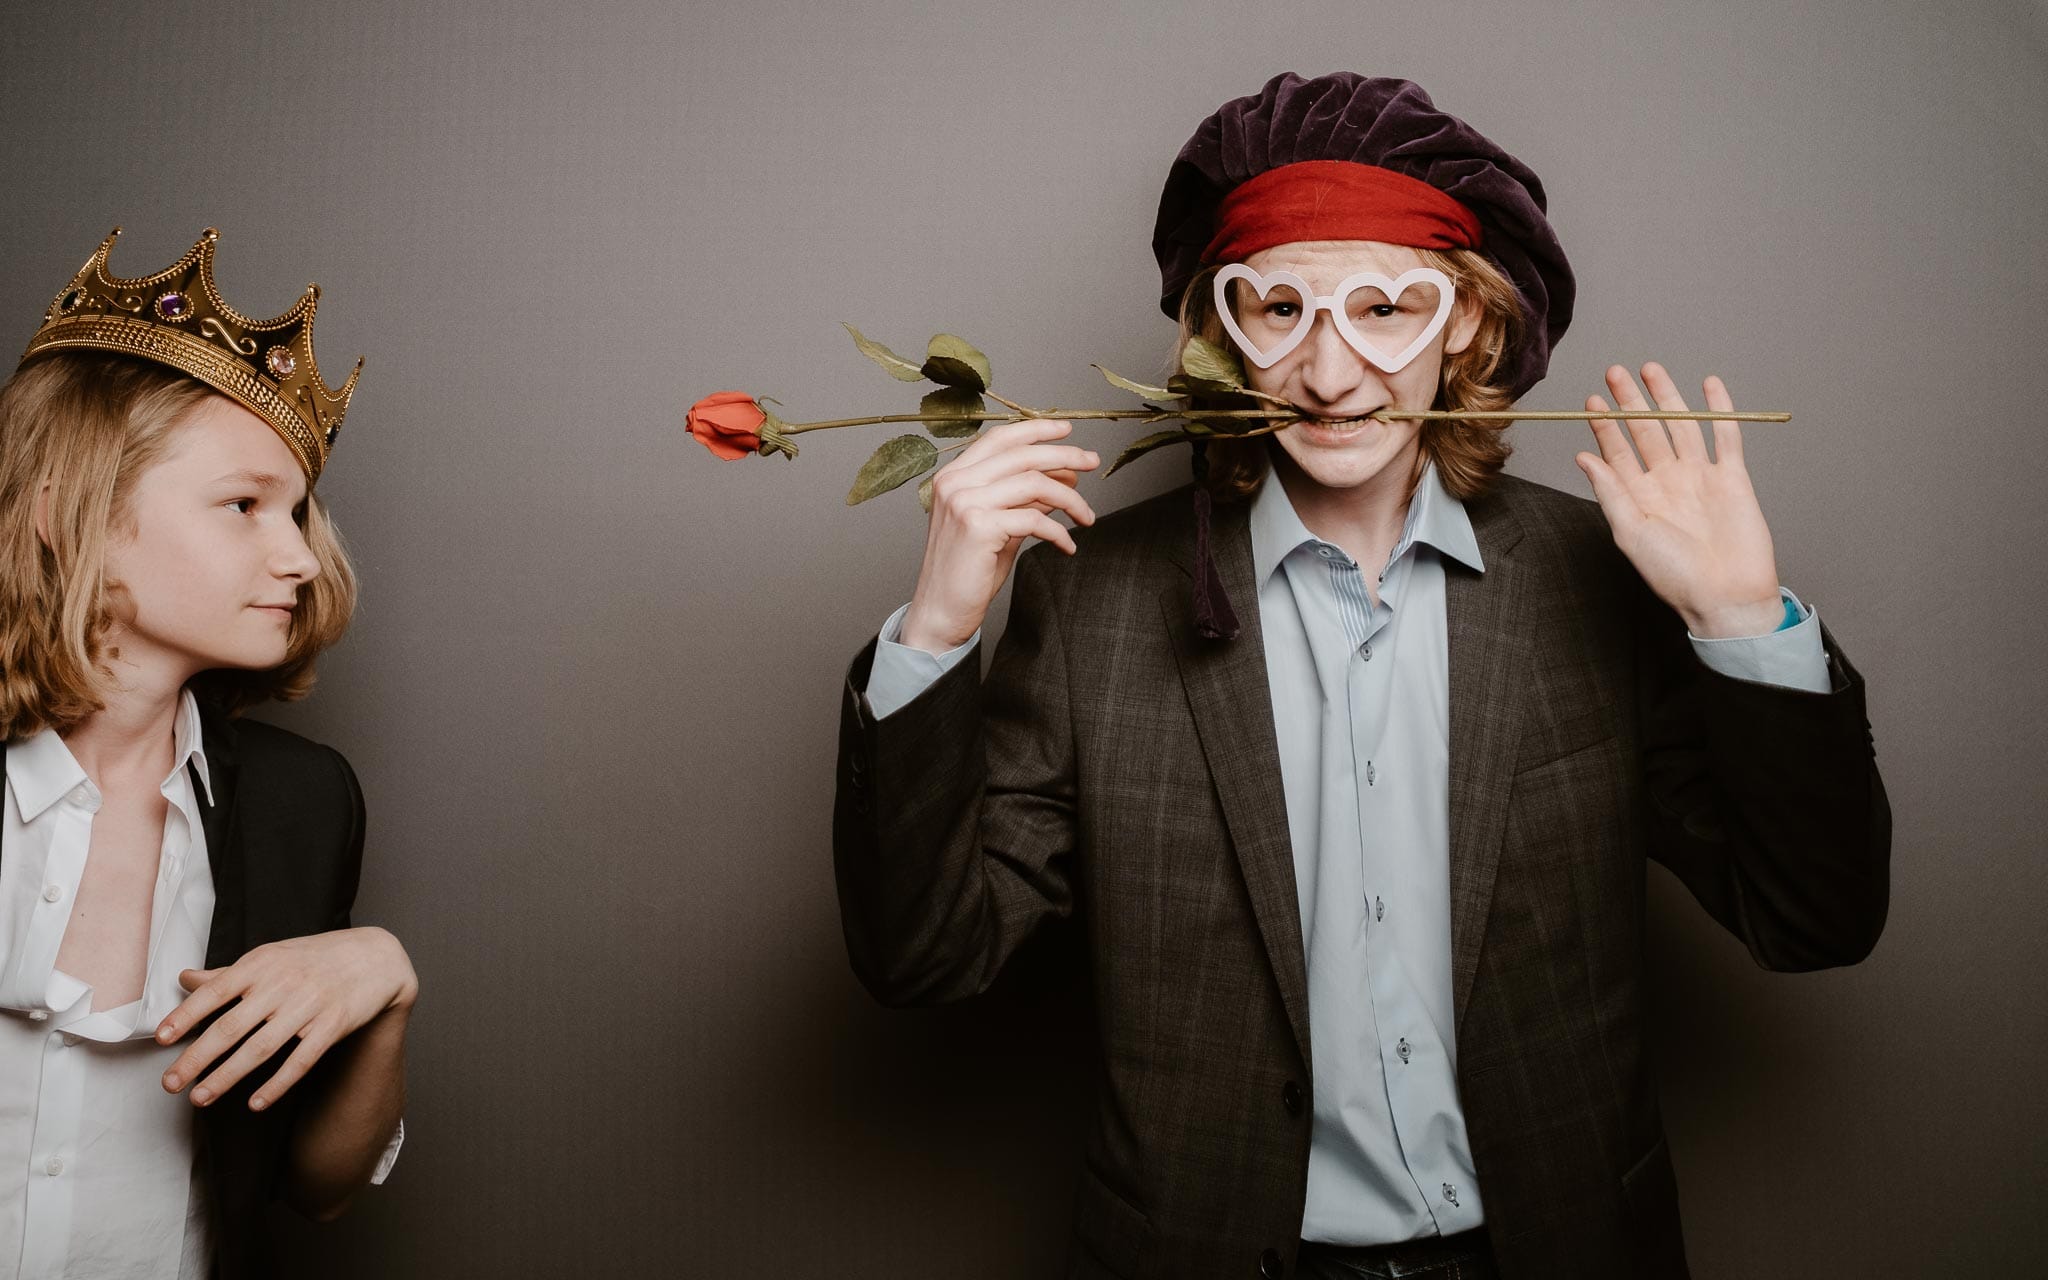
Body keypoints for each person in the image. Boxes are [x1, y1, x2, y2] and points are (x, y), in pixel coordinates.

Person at [832, 74, 1889, 1279]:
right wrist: (936, 627)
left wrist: (1741, 617)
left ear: (1467, 328)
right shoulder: (1095, 602)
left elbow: (1814, 918)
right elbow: (921, 958)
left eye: (1384, 308)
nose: (1330, 376)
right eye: (1280, 308)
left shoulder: (1594, 576)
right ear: (1223, 343)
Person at [0, 227, 414, 1279]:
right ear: (66, 513)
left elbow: (314, 1188)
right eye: (243, 505)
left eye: (299, 512)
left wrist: (383, 983)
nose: (297, 557)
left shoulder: (301, 803)